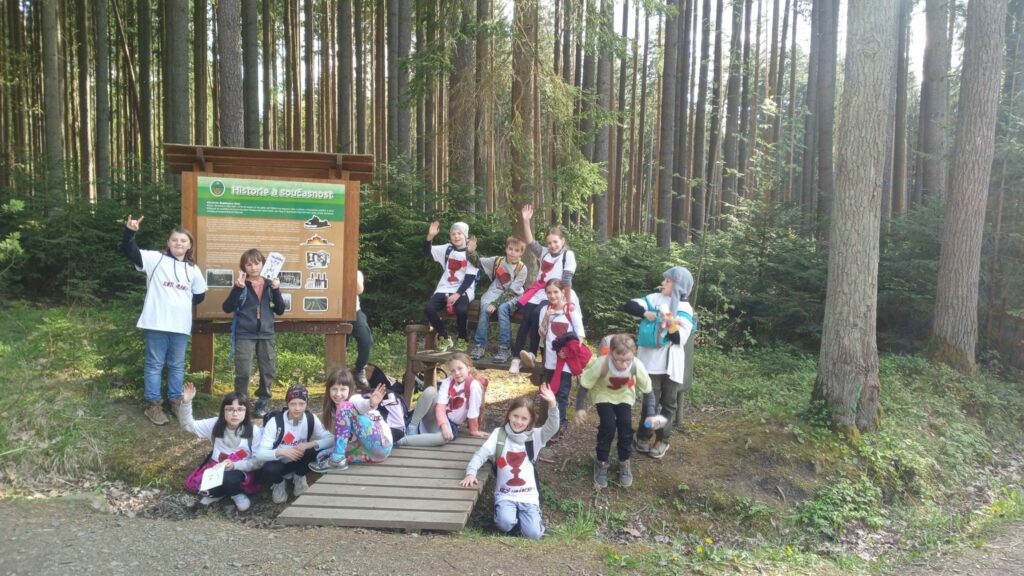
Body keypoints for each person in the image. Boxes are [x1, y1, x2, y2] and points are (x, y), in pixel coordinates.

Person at [122, 214, 208, 426]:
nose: (179, 243)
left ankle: (176, 402)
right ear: (168, 243)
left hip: (180, 326)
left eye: (183, 240)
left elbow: (199, 295)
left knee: (177, 365)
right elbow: (130, 251)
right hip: (156, 323)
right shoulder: (155, 259)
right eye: (174, 239)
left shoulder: (193, 269)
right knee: (155, 364)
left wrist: (179, 303)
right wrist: (129, 233)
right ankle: (154, 405)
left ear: (189, 246)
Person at [460, 384, 559, 539]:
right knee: (504, 523)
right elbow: (481, 454)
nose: (518, 421)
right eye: (515, 416)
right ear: (509, 415)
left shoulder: (535, 436)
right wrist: (471, 473)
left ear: (530, 421)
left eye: (524, 418)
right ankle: (510, 520)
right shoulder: (498, 434)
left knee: (533, 535)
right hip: (505, 495)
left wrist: (552, 404)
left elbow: (552, 427)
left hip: (529, 496)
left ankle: (529, 523)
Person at [625, 266, 695, 459]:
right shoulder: (654, 299)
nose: (663, 283)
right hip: (650, 364)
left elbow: (678, 338)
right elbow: (629, 305)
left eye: (668, 281)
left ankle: (662, 439)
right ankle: (644, 435)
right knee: (650, 403)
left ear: (679, 285)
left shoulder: (685, 309)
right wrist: (645, 313)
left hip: (672, 366)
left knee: (668, 404)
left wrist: (668, 318)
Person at [576, 334, 654, 489]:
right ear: (611, 354)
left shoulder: (636, 365)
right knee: (608, 425)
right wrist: (580, 407)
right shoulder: (602, 364)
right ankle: (601, 461)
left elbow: (648, 390)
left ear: (633, 355)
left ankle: (624, 461)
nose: (624, 365)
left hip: (624, 395)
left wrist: (651, 413)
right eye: (619, 360)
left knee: (625, 426)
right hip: (602, 393)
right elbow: (584, 385)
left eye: (628, 360)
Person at [510, 204, 578, 373]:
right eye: (549, 242)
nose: (552, 245)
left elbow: (567, 280)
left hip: (554, 294)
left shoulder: (568, 255)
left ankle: (532, 354)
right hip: (539, 292)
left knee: (537, 314)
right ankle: (516, 358)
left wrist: (568, 302)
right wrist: (526, 221)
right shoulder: (544, 253)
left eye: (555, 242)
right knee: (526, 316)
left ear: (562, 241)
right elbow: (531, 242)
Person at [221, 248, 285, 417]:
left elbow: (280, 310)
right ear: (243, 267)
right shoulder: (242, 284)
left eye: (257, 263)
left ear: (263, 264)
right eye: (249, 265)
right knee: (243, 371)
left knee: (267, 370)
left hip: (266, 333)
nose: (253, 268)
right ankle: (241, 403)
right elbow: (226, 308)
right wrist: (237, 288)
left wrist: (276, 289)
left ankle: (263, 402)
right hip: (244, 334)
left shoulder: (270, 284)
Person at [180, 383, 263, 512]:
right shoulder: (215, 424)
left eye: (240, 409)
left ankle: (236, 494)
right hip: (216, 468)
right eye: (230, 409)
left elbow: (258, 461)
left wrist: (234, 465)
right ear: (223, 411)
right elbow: (188, 425)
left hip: (241, 469)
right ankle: (218, 494)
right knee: (206, 489)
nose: (235, 414)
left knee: (230, 478)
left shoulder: (254, 431)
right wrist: (186, 403)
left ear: (246, 412)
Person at [524, 279, 584, 440]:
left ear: (563, 292)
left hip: (565, 361)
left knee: (561, 394)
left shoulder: (571, 310)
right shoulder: (545, 309)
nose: (552, 295)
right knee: (551, 392)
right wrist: (546, 317)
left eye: (555, 292)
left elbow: (580, 336)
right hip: (550, 360)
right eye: (549, 292)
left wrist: (568, 352)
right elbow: (542, 333)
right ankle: (551, 423)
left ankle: (560, 424)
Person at [254, 385, 334, 503]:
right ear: (287, 403)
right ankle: (279, 483)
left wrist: (310, 444)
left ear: (307, 404)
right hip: (279, 463)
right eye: (293, 404)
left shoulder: (310, 418)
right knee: (270, 469)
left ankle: (299, 476)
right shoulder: (275, 422)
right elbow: (260, 454)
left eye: (301, 404)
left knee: (318, 450)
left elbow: (331, 439)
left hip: (299, 459)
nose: (297, 408)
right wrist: (282, 452)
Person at [309, 369, 393, 472]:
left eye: (343, 389)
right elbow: (340, 439)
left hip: (381, 445)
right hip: (367, 452)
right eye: (334, 389)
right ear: (328, 390)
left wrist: (371, 403)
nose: (338, 394)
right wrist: (315, 444)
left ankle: (337, 459)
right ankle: (338, 460)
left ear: (350, 389)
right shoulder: (332, 412)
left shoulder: (353, 400)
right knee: (321, 457)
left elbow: (362, 404)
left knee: (344, 406)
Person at [399, 352, 489, 447]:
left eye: (460, 368)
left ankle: (401, 441)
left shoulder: (474, 386)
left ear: (468, 368)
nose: (457, 373)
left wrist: (474, 430)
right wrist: (443, 425)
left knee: (443, 438)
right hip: (435, 416)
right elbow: (440, 407)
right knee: (431, 391)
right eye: (453, 371)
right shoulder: (448, 381)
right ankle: (412, 428)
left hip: (450, 424)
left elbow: (473, 411)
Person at [467, 236, 528, 363]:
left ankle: (504, 348)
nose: (512, 252)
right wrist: (471, 252)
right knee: (484, 308)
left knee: (502, 309)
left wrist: (495, 304)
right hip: (494, 293)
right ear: (506, 249)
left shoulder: (522, 268)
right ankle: (479, 346)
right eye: (510, 249)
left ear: (521, 253)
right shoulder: (497, 261)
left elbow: (512, 291)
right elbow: (478, 263)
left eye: (516, 250)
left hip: (513, 296)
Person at [423, 221, 478, 352]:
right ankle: (444, 337)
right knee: (429, 308)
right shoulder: (447, 249)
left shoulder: (471, 253)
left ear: (465, 236)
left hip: (464, 290)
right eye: (453, 234)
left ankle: (462, 339)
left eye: (459, 233)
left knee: (461, 310)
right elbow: (426, 251)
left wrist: (457, 294)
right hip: (444, 288)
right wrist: (430, 236)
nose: (456, 236)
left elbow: (470, 277)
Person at [351, 270, 373, 385]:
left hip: (354, 311)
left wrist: (351, 273)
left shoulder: (356, 272)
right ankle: (337, 374)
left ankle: (360, 369)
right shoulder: (332, 270)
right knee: (339, 344)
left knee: (366, 340)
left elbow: (359, 290)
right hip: (335, 311)